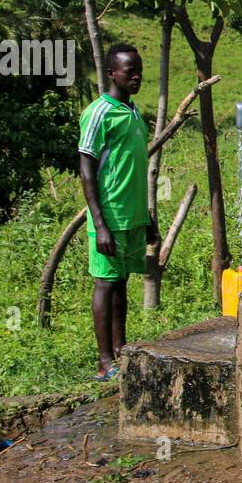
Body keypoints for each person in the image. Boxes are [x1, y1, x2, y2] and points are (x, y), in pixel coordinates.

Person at [78, 44, 156, 382]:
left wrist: (149, 217)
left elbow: (134, 168)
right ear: (112, 73)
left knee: (121, 283)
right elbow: (86, 169)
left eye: (139, 69)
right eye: (130, 71)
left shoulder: (134, 112)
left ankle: (121, 349)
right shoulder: (99, 113)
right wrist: (99, 223)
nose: (137, 76)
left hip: (133, 216)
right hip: (108, 217)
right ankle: (103, 360)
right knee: (105, 284)